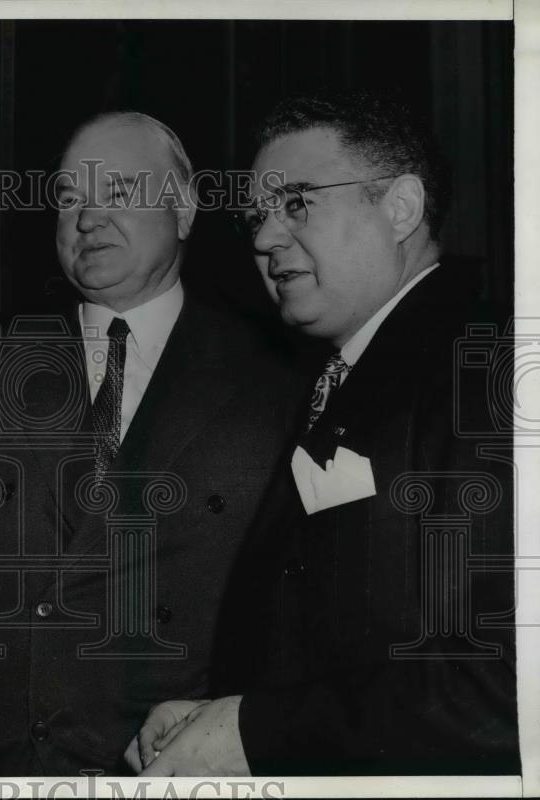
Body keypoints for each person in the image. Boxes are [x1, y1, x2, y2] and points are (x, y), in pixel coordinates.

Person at [0, 111, 301, 777]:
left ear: (185, 208)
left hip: (170, 768)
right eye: (69, 198)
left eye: (117, 193)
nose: (87, 218)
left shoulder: (273, 380)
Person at [127, 90, 518, 777]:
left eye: (298, 202)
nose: (264, 238)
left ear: (400, 208)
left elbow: (509, 688)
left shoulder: (491, 367)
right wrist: (215, 714)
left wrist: (253, 732)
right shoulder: (336, 377)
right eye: (256, 215)